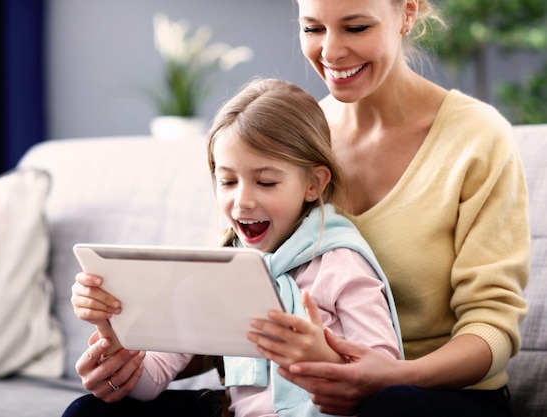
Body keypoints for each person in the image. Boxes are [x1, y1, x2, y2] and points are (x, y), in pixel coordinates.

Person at [245, 0, 528, 416]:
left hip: (438, 395)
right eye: (313, 29)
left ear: (408, 13)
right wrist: (144, 357)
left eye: (356, 28)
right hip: (307, 397)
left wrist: (394, 376)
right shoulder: (296, 139)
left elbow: (493, 327)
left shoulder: (478, 139)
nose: (330, 52)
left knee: (389, 406)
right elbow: (249, 295)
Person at [63, 77, 403, 417]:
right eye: (227, 181)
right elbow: (151, 381)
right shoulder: (217, 274)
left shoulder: (340, 263)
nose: (242, 201)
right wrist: (113, 337)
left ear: (313, 184)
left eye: (266, 182)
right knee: (87, 412)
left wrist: (321, 357)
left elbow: (386, 384)